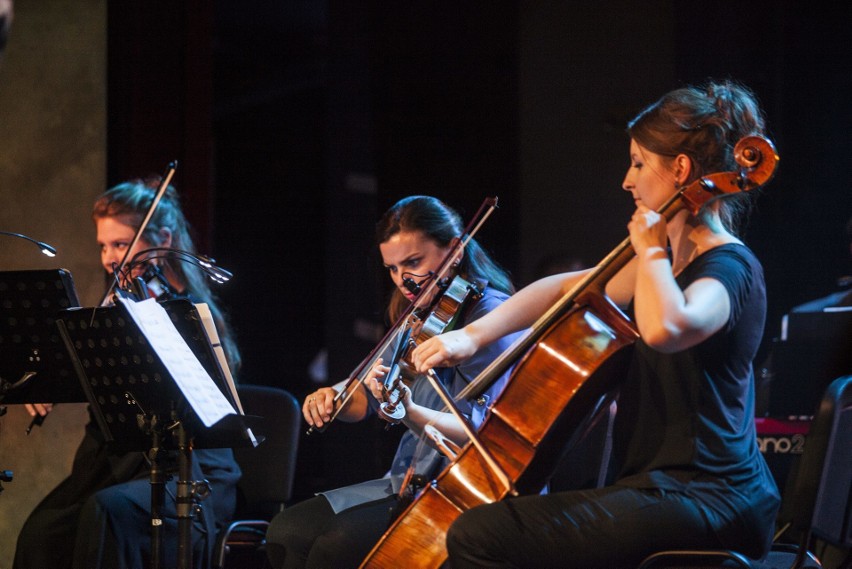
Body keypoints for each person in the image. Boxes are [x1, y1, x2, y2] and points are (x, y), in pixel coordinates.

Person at [411, 80, 781, 568]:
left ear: (681, 170)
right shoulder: (661, 264)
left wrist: (650, 249)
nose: (627, 181)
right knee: (491, 527)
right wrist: (471, 335)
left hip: (712, 495)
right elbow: (566, 289)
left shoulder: (730, 268)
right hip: (660, 490)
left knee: (481, 536)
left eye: (637, 163)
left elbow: (667, 329)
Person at [264, 195, 522, 569]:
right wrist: (332, 397)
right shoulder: (419, 317)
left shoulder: (493, 319)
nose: (404, 280)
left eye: (413, 263)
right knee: (285, 532)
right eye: (393, 269)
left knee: (336, 546)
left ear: (453, 249)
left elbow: (485, 435)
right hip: (407, 479)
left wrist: (410, 412)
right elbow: (364, 399)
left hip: (464, 489)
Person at [14, 179, 241, 569]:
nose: (109, 258)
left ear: (162, 239)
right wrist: (48, 382)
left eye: (121, 244)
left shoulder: (192, 312)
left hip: (189, 465)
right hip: (121, 462)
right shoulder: (119, 304)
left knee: (106, 512)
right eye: (104, 245)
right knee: (43, 531)